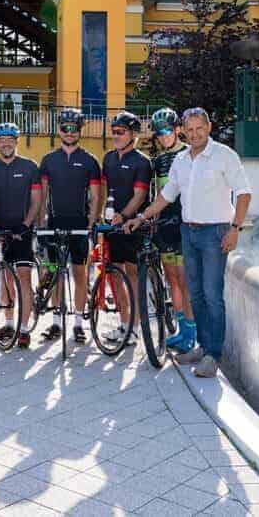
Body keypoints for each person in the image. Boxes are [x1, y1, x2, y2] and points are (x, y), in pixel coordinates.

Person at [131, 107, 251, 378]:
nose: (195, 134)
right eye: (190, 129)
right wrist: (141, 217)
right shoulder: (181, 160)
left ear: (209, 128)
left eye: (200, 129)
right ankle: (203, 346)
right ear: (183, 130)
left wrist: (235, 228)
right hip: (189, 232)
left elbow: (244, 193)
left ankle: (213, 356)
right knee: (195, 294)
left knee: (212, 295)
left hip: (215, 233)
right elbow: (166, 195)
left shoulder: (224, 155)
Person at [38, 107, 102, 345]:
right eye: (65, 128)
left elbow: (96, 196)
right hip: (54, 223)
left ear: (80, 130)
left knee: (79, 273)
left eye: (73, 128)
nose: (69, 132)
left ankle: (77, 324)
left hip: (79, 224)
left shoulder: (89, 161)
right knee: (55, 273)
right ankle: (56, 322)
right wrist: (41, 224)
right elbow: (42, 196)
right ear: (59, 130)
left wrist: (91, 224)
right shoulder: (48, 160)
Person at [0, 122, 42, 348]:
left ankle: (24, 329)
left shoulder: (30, 167)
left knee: (24, 278)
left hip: (23, 230)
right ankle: (9, 323)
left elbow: (37, 200)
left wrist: (26, 224)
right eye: (2, 139)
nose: (6, 143)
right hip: (1, 232)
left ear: (17, 142)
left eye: (10, 139)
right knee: (6, 279)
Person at [100, 111, 152, 346]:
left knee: (132, 276)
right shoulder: (109, 158)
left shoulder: (142, 162)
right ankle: (123, 324)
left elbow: (140, 196)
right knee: (115, 274)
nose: (116, 136)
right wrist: (102, 215)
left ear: (133, 135)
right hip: (113, 225)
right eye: (113, 132)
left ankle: (135, 328)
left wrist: (123, 216)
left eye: (120, 132)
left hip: (133, 225)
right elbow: (104, 191)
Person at [147, 107, 196, 352]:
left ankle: (191, 332)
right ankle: (179, 329)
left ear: (177, 129)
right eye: (159, 133)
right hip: (165, 224)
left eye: (166, 131)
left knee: (185, 281)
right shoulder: (157, 161)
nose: (163, 136)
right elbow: (159, 193)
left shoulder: (189, 154)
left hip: (185, 222)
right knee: (172, 279)